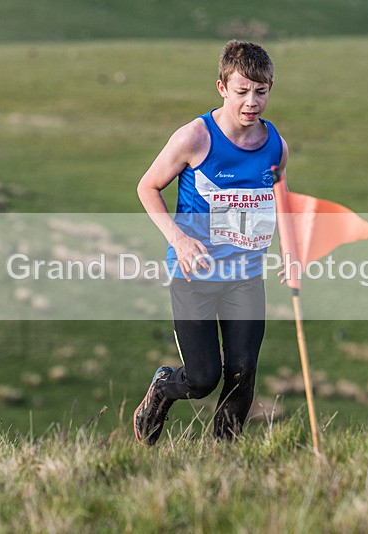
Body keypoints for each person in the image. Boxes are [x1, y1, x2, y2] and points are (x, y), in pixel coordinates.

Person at [133, 40, 289, 445]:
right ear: (221, 87)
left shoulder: (275, 145)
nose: (252, 102)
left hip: (246, 275)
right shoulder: (194, 137)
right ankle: (162, 389)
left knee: (242, 376)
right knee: (203, 379)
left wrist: (289, 253)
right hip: (195, 273)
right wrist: (179, 241)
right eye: (242, 91)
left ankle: (224, 461)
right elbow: (148, 187)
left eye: (261, 91)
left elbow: (279, 199)